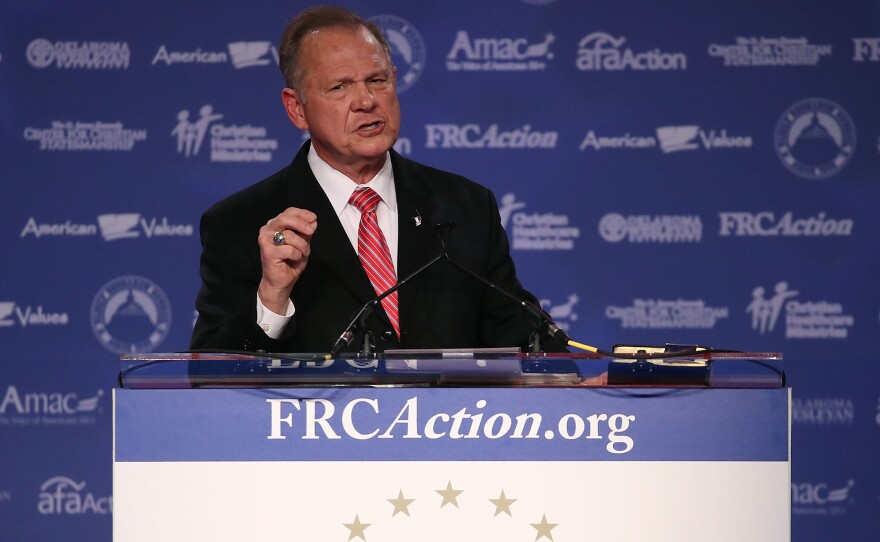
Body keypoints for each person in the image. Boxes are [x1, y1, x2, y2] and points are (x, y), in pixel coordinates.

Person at [190, 5, 565, 355]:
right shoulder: (241, 223)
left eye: (376, 80)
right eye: (340, 87)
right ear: (297, 108)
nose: (366, 100)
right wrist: (271, 297)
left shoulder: (465, 207)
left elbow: (524, 340)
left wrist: (572, 383)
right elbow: (210, 374)